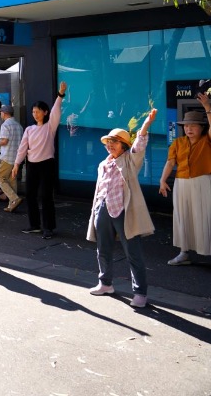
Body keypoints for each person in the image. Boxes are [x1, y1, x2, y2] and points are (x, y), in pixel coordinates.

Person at [87, 109, 157, 308]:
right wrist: (96, 209)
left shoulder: (129, 159)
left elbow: (140, 143)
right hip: (103, 207)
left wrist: (145, 125)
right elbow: (100, 188)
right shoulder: (103, 164)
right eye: (109, 142)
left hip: (124, 210)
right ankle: (105, 283)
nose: (110, 145)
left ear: (124, 146)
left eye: (114, 142)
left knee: (133, 252)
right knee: (103, 248)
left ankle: (140, 292)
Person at [158, 95, 211, 266]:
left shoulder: (207, 140)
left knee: (205, 216)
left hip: (202, 181)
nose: (189, 129)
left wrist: (207, 106)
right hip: (181, 183)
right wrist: (162, 180)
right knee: (183, 216)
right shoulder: (178, 143)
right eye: (186, 126)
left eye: (193, 126)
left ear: (201, 128)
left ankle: (206, 250)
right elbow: (170, 162)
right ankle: (184, 252)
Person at [12, 81, 68, 239]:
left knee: (46, 196)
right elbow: (23, 148)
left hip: (47, 165)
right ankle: (34, 225)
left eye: (37, 111)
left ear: (45, 112)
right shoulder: (29, 129)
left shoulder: (50, 127)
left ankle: (48, 228)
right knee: (30, 195)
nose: (35, 114)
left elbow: (56, 112)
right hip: (32, 166)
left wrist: (60, 95)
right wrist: (17, 164)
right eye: (33, 112)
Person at [0, 105, 24, 212]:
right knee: (12, 180)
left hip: (6, 157)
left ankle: (14, 198)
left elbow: (4, 141)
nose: (1, 114)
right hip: (16, 158)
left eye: (1, 112)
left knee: (0, 178)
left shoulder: (5, 125)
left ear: (5, 113)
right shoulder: (19, 126)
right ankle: (11, 205)